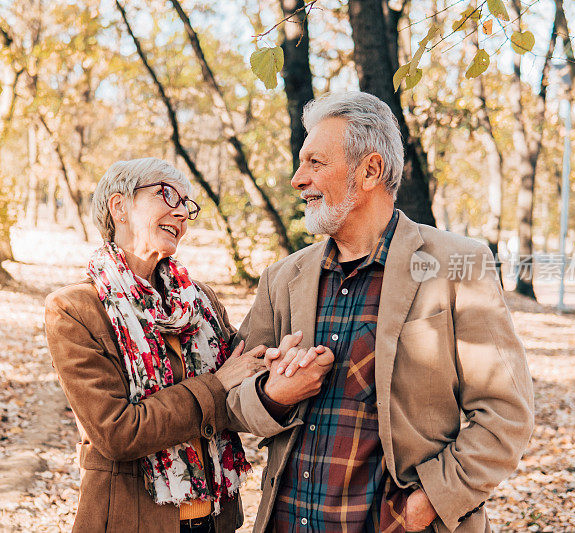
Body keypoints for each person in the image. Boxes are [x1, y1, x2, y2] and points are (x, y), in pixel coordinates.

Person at [226, 92, 534, 533]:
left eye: (315, 163)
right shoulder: (282, 278)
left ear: (370, 170)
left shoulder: (458, 266)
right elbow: (234, 395)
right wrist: (274, 393)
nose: (298, 178)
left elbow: (507, 414)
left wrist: (433, 498)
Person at [45, 157, 267, 533]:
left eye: (187, 205)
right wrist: (217, 384)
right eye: (167, 195)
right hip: (130, 521)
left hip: (216, 518)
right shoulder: (75, 309)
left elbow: (241, 389)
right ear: (120, 207)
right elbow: (118, 432)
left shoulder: (200, 302)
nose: (181, 213)